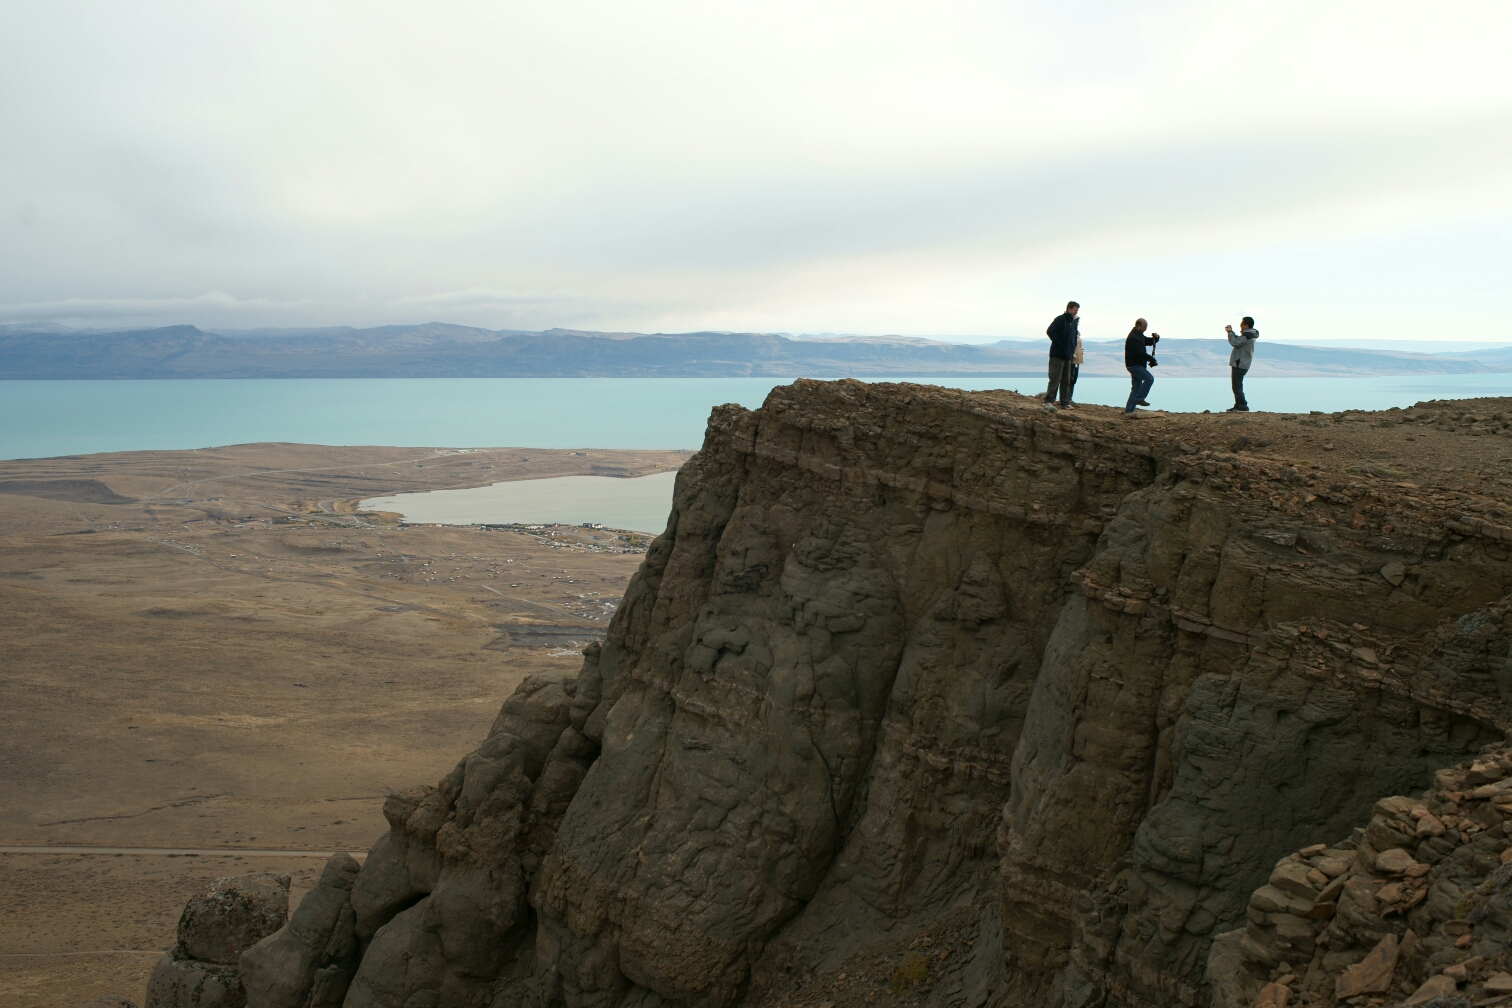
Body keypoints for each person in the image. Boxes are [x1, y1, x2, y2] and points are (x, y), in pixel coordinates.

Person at [1043, 301, 1079, 410]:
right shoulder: (1060, 320)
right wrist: (1060, 345)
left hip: (1068, 356)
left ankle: (1065, 402)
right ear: (1068, 309)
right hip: (1057, 355)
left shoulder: (1073, 323)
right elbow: (1050, 331)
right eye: (1074, 310)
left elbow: (1074, 338)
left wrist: (1072, 349)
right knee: (1055, 378)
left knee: (1066, 380)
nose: (1075, 312)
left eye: (1076, 310)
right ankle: (1048, 401)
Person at [1123, 319, 1159, 416]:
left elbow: (1147, 341)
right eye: (1145, 326)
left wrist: (1156, 339)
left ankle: (1129, 411)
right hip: (1134, 365)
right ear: (1139, 325)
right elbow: (1140, 353)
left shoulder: (1138, 336)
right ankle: (1139, 399)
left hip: (1135, 365)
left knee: (1136, 388)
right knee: (1149, 379)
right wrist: (1151, 359)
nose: (1146, 327)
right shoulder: (1133, 338)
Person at [1225, 316, 1259, 412]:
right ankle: (1238, 405)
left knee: (1237, 386)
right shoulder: (1248, 335)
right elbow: (1237, 341)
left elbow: (1235, 342)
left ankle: (1242, 406)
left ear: (1247, 325)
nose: (1240, 325)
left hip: (1240, 363)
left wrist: (1230, 332)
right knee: (1236, 385)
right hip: (1241, 363)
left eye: (1242, 324)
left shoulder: (1247, 336)